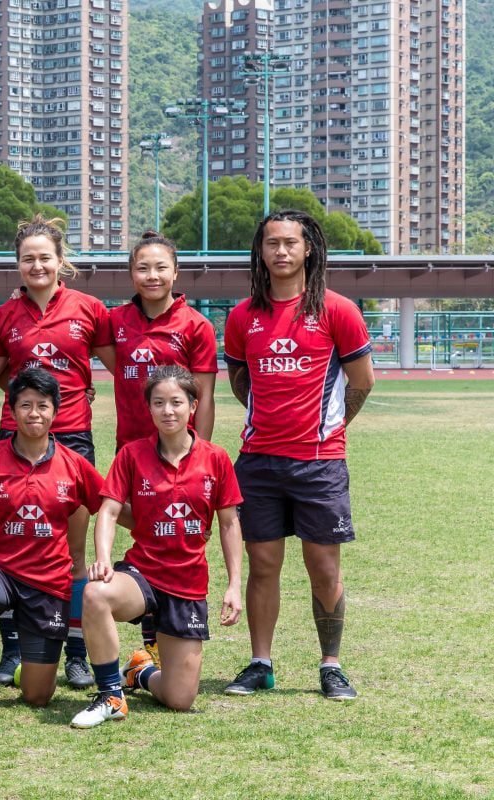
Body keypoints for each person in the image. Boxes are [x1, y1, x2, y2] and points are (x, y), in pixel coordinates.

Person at [221, 210, 374, 701]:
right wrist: (270, 419)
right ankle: (260, 663)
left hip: (320, 463)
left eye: (290, 242)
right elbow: (240, 382)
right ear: (260, 251)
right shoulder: (242, 316)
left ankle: (331, 666)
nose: (281, 251)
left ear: (309, 248)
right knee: (263, 564)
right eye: (272, 243)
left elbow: (362, 381)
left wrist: (330, 428)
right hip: (258, 461)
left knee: (323, 567)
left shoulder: (338, 310)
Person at [0, 215, 112, 689]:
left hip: (72, 439)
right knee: (9, 546)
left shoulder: (90, 308)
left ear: (60, 261)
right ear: (17, 264)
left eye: (45, 258)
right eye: (27, 259)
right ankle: (12, 650)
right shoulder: (3, 316)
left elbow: (124, 368)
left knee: (72, 552)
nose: (36, 266)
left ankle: (75, 653)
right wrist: (25, 402)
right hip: (12, 439)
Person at [70, 366, 243, 729]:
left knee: (180, 699)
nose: (168, 411)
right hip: (143, 574)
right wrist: (103, 559)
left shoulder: (216, 458)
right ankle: (110, 695)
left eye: (176, 402)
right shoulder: (132, 455)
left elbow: (229, 523)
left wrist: (233, 585)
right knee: (96, 593)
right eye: (159, 403)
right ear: (148, 408)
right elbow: (109, 511)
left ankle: (140, 671)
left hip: (187, 584)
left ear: (192, 406)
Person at [0, 368, 103, 727]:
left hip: (48, 583)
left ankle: (27, 670)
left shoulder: (74, 464)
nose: (34, 413)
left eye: (42, 405)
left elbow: (110, 507)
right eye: (25, 405)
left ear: (55, 411)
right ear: (12, 410)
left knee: (37, 696)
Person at [94, 230, 219, 668]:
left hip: (180, 454)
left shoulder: (196, 326)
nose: (152, 275)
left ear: (175, 272)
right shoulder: (114, 320)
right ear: (131, 273)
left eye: (161, 267)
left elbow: (204, 396)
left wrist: (201, 454)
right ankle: (147, 626)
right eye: (142, 268)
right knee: (143, 529)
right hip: (132, 451)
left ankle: (155, 639)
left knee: (170, 535)